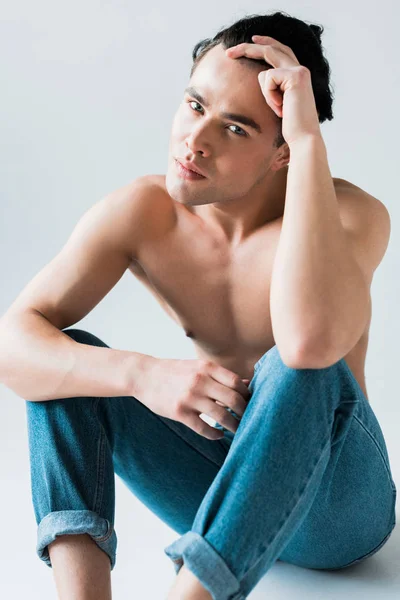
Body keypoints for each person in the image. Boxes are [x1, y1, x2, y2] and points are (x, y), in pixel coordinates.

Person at [0, 11, 396, 600]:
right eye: (193, 105)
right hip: (219, 485)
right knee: (71, 366)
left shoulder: (350, 218)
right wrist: (144, 375)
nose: (196, 140)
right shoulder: (144, 212)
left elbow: (309, 344)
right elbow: (13, 346)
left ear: (282, 153)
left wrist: (310, 137)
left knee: (295, 363)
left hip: (336, 506)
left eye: (235, 129)